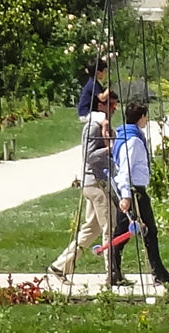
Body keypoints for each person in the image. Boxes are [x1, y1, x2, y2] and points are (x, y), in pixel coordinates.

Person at [51, 87, 124, 286]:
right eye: (112, 105)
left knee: (90, 230)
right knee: (110, 228)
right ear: (100, 105)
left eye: (116, 105)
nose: (114, 109)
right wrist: (110, 148)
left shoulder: (101, 124)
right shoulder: (93, 127)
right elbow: (89, 156)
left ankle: (60, 266)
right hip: (96, 183)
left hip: (99, 182)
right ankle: (112, 275)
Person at [112, 99, 169, 285]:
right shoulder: (132, 140)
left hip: (135, 190)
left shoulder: (129, 135)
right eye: (145, 116)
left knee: (125, 233)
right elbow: (125, 169)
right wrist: (125, 196)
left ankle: (118, 271)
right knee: (145, 232)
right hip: (134, 192)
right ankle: (158, 274)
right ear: (141, 117)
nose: (146, 119)